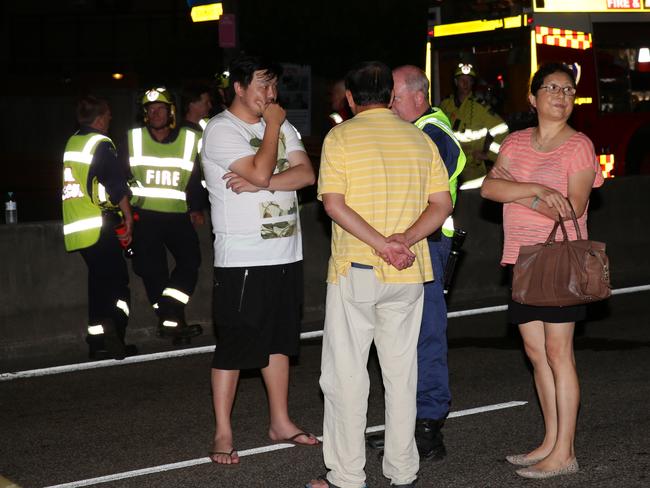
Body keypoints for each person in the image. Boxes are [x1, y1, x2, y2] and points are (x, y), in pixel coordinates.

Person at [307, 61, 452, 488]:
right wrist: (402, 241)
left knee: (346, 376)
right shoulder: (417, 137)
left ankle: (348, 475)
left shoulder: (340, 136)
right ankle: (403, 469)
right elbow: (441, 205)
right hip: (409, 272)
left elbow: (333, 203)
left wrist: (380, 243)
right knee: (402, 375)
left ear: (350, 99)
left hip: (358, 269)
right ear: (390, 96)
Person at [480, 62, 604, 479]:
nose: (561, 95)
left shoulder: (579, 146)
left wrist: (519, 192)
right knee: (536, 355)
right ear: (532, 99)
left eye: (568, 90)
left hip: (559, 262)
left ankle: (565, 453)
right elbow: (489, 187)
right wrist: (536, 192)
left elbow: (575, 205)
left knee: (558, 353)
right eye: (551, 88)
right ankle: (550, 442)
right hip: (521, 258)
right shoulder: (515, 142)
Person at [201, 55, 318, 465]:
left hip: (286, 251)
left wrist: (259, 184)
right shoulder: (221, 130)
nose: (271, 96)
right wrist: (269, 135)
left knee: (280, 340)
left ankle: (280, 421)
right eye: (262, 86)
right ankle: (222, 431)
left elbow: (306, 174)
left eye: (274, 87)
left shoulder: (283, 124)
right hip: (242, 257)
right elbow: (263, 164)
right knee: (235, 345)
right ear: (238, 86)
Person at [390, 65, 466, 461]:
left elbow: (420, 191)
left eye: (396, 97)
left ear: (418, 97)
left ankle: (428, 428)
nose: (389, 103)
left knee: (426, 336)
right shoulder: (415, 130)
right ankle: (406, 426)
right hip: (415, 243)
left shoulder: (434, 133)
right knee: (401, 339)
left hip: (429, 244)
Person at [126, 87, 206, 343]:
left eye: (160, 108)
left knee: (190, 262)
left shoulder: (187, 139)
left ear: (171, 112)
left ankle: (169, 309)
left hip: (177, 216)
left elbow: (195, 177)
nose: (155, 113)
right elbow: (118, 179)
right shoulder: (133, 138)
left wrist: (196, 207)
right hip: (144, 216)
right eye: (150, 109)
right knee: (152, 271)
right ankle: (173, 321)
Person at [62, 95, 135, 360]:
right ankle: (115, 333)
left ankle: (96, 343)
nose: (111, 119)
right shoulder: (100, 144)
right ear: (101, 117)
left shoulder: (73, 142)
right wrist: (127, 218)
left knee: (98, 284)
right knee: (118, 285)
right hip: (99, 225)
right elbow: (116, 185)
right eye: (109, 114)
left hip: (77, 226)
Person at [440, 62, 508, 184]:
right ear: (456, 82)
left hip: (471, 172)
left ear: (473, 83)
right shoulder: (445, 105)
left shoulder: (479, 107)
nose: (465, 84)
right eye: (462, 80)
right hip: (447, 169)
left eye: (469, 80)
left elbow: (502, 128)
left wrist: (488, 154)